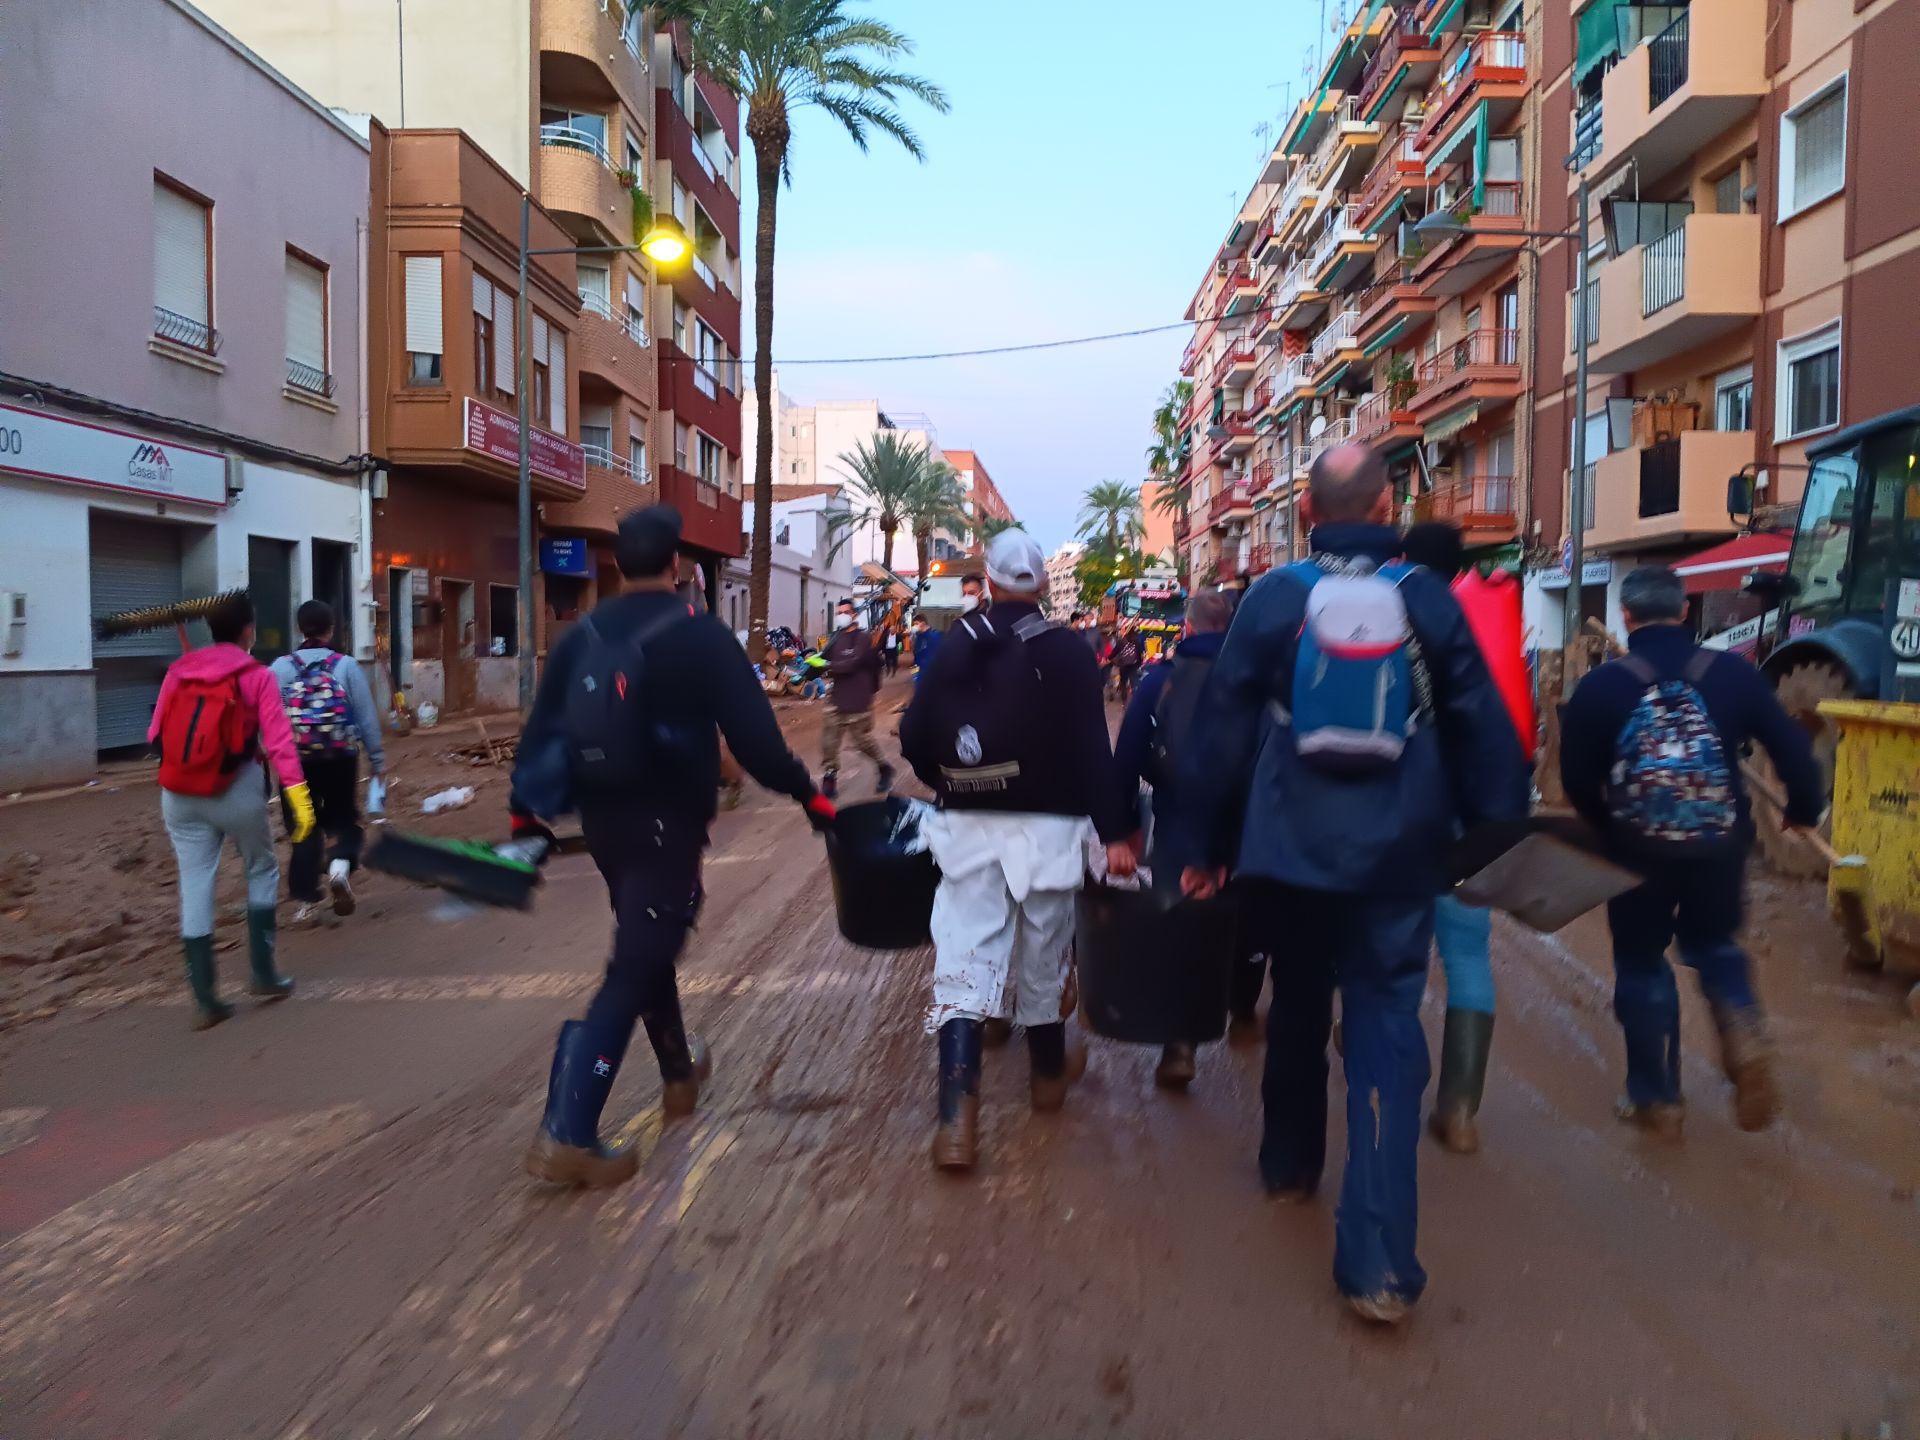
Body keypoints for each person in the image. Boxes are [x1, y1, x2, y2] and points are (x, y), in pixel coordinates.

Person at [1181, 444, 1528, 1324]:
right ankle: (1377, 1264)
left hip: (1292, 850)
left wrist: (1204, 843)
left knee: (1298, 1001)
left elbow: (1220, 727)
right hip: (1399, 856)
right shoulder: (1426, 600)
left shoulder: (1274, 598)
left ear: (1306, 512)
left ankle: (1289, 1167)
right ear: (1386, 512)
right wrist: (1493, 835)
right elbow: (1480, 723)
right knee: (1383, 1026)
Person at [513, 505, 832, 1188]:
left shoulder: (582, 635)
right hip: (668, 823)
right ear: (680, 567)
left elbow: (540, 732)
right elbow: (757, 743)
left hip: (603, 823)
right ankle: (567, 1129)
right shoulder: (702, 636)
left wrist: (523, 819)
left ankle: (679, 1072)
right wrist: (811, 795)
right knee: (635, 961)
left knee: (644, 935)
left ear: (619, 563)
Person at [1559, 564, 1823, 1139]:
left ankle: (1657, 1099)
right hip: (1717, 845)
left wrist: (1608, 827)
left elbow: (1576, 778)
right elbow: (1796, 757)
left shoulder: (1603, 686)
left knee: (1640, 961)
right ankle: (1739, 1019)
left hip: (1635, 850)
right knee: (1714, 946)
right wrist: (1802, 810)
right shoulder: (1732, 675)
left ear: (1626, 617)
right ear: (1684, 611)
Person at [901, 530, 1136, 1172]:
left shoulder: (956, 645)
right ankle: (1047, 1078)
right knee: (1044, 956)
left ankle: (956, 1119)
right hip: (1049, 832)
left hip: (969, 826)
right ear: (1037, 585)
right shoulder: (1067, 652)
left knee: (965, 958)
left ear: (992, 582)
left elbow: (914, 733)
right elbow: (1094, 749)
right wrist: (1114, 832)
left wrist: (950, 781)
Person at [1398, 523, 1534, 1155]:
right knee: (1468, 958)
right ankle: (1458, 1110)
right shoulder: (1484, 623)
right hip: (1466, 823)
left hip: (1395, 821)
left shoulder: (1383, 616)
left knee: (1387, 949)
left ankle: (1382, 1072)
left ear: (1401, 560)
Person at [149, 592, 312, 1030]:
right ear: (247, 630)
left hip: (178, 792)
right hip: (236, 789)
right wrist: (300, 803)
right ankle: (263, 973)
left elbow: (155, 731)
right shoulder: (255, 675)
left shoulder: (178, 672)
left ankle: (205, 998)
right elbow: (280, 744)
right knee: (261, 868)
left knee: (195, 882)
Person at [1111, 587, 1252, 1086]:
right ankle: (1244, 1014)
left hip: (1177, 825)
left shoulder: (1159, 682)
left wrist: (1123, 828)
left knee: (1181, 927)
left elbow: (1126, 758)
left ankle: (1179, 1047)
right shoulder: (1253, 681)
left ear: (1186, 628)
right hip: (1243, 830)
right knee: (1243, 927)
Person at [271, 600, 386, 922]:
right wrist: (377, 760)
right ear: (331, 629)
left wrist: (272, 758)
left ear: (298, 628)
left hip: (295, 766)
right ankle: (339, 867)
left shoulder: (279, 668)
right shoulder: (346, 666)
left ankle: (306, 903)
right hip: (340, 760)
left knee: (303, 828)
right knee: (343, 821)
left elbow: (268, 720)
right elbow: (366, 718)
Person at [820, 599, 894, 800]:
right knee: (829, 741)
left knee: (863, 742)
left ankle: (884, 767)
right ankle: (830, 776)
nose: (841, 615)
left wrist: (826, 664)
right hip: (837, 698)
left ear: (854, 615)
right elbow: (825, 660)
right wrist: (812, 666)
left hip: (858, 699)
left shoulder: (863, 638)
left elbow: (850, 663)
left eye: (845, 612)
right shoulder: (836, 638)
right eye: (839, 612)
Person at [1112, 623, 1145, 703]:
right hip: (1134, 665)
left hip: (1123, 665)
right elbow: (1140, 653)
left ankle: (1124, 700)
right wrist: (1140, 663)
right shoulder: (1136, 641)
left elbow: (1114, 652)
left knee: (1123, 682)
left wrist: (1109, 659)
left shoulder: (1121, 640)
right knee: (1133, 682)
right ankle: (1135, 700)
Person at [910, 613, 941, 686]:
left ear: (923, 623)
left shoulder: (934, 636)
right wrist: (914, 673)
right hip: (919, 670)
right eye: (914, 624)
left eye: (916, 624)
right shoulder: (919, 637)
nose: (915, 626)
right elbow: (916, 653)